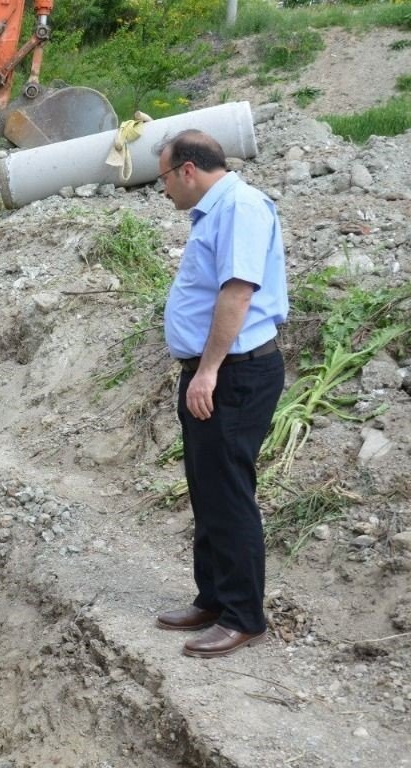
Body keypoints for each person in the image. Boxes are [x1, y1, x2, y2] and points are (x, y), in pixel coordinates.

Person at [152, 129, 288, 659]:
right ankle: (212, 598)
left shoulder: (240, 208)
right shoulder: (215, 211)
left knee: (228, 493)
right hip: (214, 372)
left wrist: (207, 371)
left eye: (164, 177)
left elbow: (237, 294)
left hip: (234, 374)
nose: (163, 188)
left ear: (187, 170)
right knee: (207, 488)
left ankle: (242, 616)